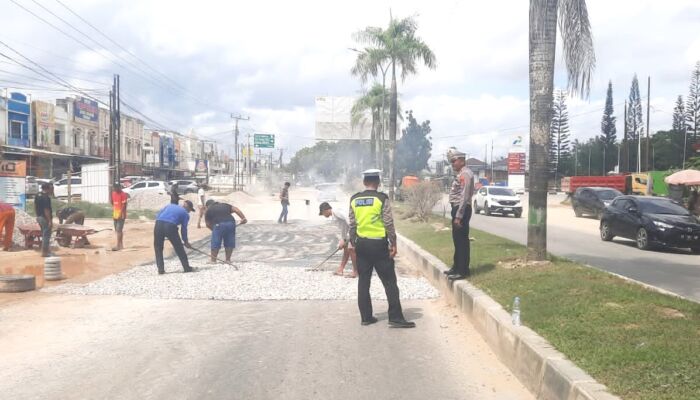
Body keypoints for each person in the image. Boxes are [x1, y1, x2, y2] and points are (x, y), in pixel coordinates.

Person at [349, 169, 415, 328]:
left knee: (363, 281)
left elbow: (352, 224)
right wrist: (393, 243)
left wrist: (354, 242)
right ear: (378, 183)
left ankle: (366, 317)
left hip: (362, 245)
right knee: (389, 282)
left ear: (364, 182)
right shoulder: (381, 198)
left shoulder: (354, 199)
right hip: (378, 245)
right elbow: (388, 223)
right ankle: (395, 317)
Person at [443, 148, 475, 281]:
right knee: (457, 240)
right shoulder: (461, 173)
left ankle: (463, 270)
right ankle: (456, 267)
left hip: (461, 209)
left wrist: (458, 216)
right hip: (457, 209)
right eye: (451, 162)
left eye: (454, 161)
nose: (452, 164)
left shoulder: (466, 174)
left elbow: (464, 195)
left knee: (461, 241)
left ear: (462, 161)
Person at [154, 200, 196, 274]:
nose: (189, 212)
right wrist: (185, 241)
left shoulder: (169, 206)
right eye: (190, 210)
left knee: (158, 248)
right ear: (188, 208)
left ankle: (160, 269)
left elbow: (158, 215)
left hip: (158, 224)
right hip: (170, 226)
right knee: (179, 247)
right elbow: (184, 229)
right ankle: (186, 268)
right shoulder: (185, 214)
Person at [319, 201, 357, 278]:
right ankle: (340, 269)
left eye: (322, 213)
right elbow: (343, 228)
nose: (323, 215)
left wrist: (346, 238)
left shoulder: (337, 211)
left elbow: (350, 222)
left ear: (325, 210)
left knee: (351, 250)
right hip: (349, 233)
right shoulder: (334, 215)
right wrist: (342, 240)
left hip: (354, 231)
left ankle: (355, 272)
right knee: (346, 249)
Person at [205, 199, 247, 263]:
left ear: (208, 206)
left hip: (218, 224)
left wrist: (214, 231)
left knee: (215, 242)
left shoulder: (208, 210)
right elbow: (236, 209)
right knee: (229, 241)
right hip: (231, 223)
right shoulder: (225, 205)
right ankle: (228, 260)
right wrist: (243, 218)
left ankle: (213, 260)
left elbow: (207, 224)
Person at [35, 182, 54, 257]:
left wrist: (37, 215)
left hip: (39, 217)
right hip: (44, 218)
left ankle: (47, 251)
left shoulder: (37, 195)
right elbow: (46, 210)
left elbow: (35, 205)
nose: (52, 190)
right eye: (51, 188)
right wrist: (49, 221)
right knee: (46, 235)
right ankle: (45, 253)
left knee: (44, 234)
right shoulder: (46, 197)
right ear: (48, 188)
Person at [110, 183, 128, 251]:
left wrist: (121, 214)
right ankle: (121, 245)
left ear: (118, 188)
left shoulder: (123, 194)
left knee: (119, 230)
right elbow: (112, 202)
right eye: (113, 188)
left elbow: (124, 205)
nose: (114, 189)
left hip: (121, 214)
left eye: (115, 188)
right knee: (117, 230)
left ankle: (118, 245)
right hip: (115, 213)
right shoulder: (113, 193)